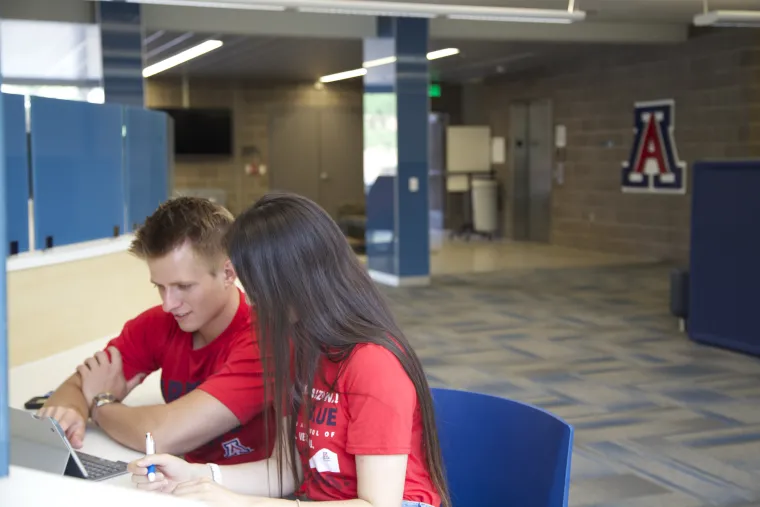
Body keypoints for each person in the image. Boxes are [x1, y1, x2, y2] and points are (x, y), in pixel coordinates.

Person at [128, 192, 451, 507]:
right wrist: (196, 475)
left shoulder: (372, 363)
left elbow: (378, 504)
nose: (254, 301)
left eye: (258, 287)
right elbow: (288, 470)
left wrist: (243, 503)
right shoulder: (297, 346)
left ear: (294, 280)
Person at [38, 196, 273, 466]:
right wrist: (69, 413)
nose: (168, 304)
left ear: (228, 273)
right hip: (179, 481)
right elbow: (83, 383)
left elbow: (164, 434)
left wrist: (101, 405)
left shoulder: (263, 342)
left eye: (183, 286)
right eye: (160, 286)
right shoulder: (159, 324)